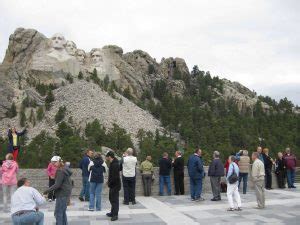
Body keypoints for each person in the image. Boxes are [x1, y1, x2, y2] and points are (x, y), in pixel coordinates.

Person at [43, 158, 73, 225]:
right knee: (62, 212)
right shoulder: (65, 168)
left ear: (58, 162)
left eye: (54, 162)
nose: (53, 164)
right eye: (52, 163)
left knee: (58, 213)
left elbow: (57, 184)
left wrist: (46, 191)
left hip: (62, 193)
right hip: (66, 192)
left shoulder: (60, 171)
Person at [106, 151, 121, 222]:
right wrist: (108, 181)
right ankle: (112, 212)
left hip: (115, 185)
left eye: (107, 157)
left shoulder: (115, 164)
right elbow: (111, 175)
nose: (106, 158)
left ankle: (115, 215)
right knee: (111, 198)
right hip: (113, 184)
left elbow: (115, 177)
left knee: (114, 200)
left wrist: (109, 183)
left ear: (109, 157)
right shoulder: (113, 163)